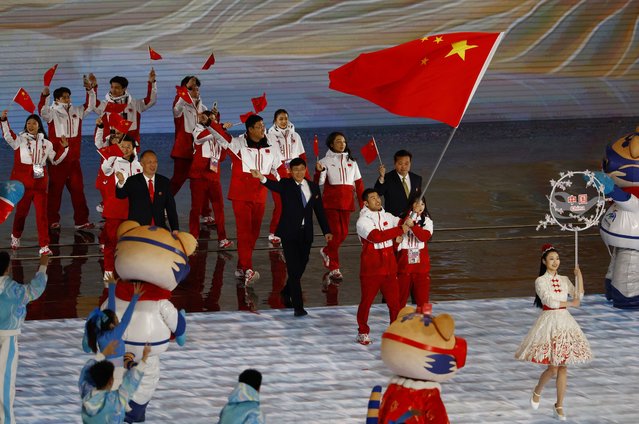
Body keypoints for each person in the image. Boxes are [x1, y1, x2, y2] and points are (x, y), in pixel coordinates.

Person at [515, 244, 592, 421]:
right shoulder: (540, 281)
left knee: (563, 366)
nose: (555, 262)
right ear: (544, 261)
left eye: (557, 259)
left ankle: (559, 405)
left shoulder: (565, 279)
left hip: (565, 323)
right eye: (551, 259)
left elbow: (578, 296)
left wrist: (578, 276)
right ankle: (538, 390)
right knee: (553, 368)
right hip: (550, 322)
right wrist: (571, 304)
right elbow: (549, 300)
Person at [208, 114, 285, 286]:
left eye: (263, 125)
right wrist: (208, 122)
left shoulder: (271, 147)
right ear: (249, 129)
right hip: (241, 196)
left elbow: (279, 168)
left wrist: (289, 186)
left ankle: (241, 267)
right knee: (244, 232)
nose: (262, 129)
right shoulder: (237, 144)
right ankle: (249, 269)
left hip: (260, 195)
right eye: (259, 126)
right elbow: (220, 135)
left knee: (254, 234)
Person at [251, 157, 332, 316]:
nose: (299, 172)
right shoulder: (286, 185)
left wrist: (326, 231)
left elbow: (320, 211)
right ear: (290, 171)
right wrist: (261, 177)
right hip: (289, 233)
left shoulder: (313, 187)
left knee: (301, 265)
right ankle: (298, 307)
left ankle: (286, 290)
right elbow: (272, 185)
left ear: (305, 170)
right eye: (295, 170)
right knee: (294, 270)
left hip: (306, 233)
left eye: (302, 169)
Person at [1, 110, 69, 256]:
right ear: (26, 126)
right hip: (23, 184)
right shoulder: (19, 139)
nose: (31, 125)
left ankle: (44, 245)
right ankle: (16, 236)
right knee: (21, 214)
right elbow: (7, 136)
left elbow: (55, 160)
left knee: (42, 216)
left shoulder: (47, 143)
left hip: (40, 184)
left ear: (39, 126)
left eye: (34, 123)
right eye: (28, 123)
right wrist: (4, 120)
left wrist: (65, 148)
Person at [38, 75, 97, 230]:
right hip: (57, 160)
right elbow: (42, 111)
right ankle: (52, 220)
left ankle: (81, 221)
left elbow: (91, 106)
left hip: (74, 159)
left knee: (78, 190)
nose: (67, 99)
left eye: (68, 97)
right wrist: (45, 95)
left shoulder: (77, 110)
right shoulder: (51, 112)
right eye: (64, 97)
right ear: (56, 100)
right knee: (55, 191)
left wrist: (90, 89)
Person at [355, 188, 410, 345]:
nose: (377, 200)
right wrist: (399, 230)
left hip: (390, 268)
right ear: (366, 203)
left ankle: (395, 331)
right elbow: (376, 237)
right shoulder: (362, 221)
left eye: (378, 197)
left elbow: (402, 222)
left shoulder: (388, 216)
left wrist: (413, 212)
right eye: (373, 198)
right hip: (371, 269)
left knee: (395, 304)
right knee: (367, 302)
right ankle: (362, 332)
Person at [0, 250, 49, 424]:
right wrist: (43, 266)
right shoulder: (16, 291)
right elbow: (36, 288)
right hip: (7, 340)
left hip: (8, 337)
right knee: (4, 384)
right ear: (8, 268)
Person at [314, 132, 364, 281]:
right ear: (331, 144)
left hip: (347, 202)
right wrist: (319, 171)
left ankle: (326, 251)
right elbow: (319, 183)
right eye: (338, 141)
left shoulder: (352, 162)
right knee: (335, 234)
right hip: (331, 202)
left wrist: (364, 206)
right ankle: (334, 268)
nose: (342, 144)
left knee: (343, 234)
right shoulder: (324, 161)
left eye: (343, 141)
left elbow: (359, 185)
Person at [100, 137, 142, 282]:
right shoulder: (114, 162)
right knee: (112, 241)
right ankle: (109, 269)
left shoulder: (139, 165)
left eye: (128, 146)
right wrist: (112, 154)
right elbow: (105, 170)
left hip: (134, 209)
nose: (125, 149)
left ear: (133, 147)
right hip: (116, 208)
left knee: (133, 242)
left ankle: (131, 269)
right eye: (122, 146)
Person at [189, 111, 233, 248]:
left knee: (219, 208)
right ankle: (193, 237)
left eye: (214, 120)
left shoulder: (215, 135)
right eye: (210, 120)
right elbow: (201, 137)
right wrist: (220, 128)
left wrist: (223, 137)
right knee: (196, 209)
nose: (212, 122)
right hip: (198, 177)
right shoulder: (198, 130)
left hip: (214, 177)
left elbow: (223, 156)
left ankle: (222, 238)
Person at [79, 340, 150, 424]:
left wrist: (103, 354)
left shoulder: (86, 393)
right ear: (110, 381)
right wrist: (145, 356)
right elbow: (131, 382)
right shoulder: (116, 400)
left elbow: (85, 373)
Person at [265, 109, 308, 247]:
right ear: (275, 121)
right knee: (281, 204)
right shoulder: (269, 136)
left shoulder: (296, 135)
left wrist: (306, 175)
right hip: (277, 172)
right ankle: (274, 232)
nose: (284, 121)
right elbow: (269, 158)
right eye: (280, 119)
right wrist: (277, 174)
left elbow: (302, 156)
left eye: (285, 119)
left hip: (294, 172)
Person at [82, 280, 143, 367]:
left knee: (130, 355)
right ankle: (128, 363)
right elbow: (126, 319)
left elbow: (111, 312)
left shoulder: (100, 334)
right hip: (116, 367)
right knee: (131, 357)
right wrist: (134, 298)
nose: (118, 319)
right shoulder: (115, 334)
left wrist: (112, 287)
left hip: (109, 365)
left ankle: (128, 361)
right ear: (111, 325)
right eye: (116, 318)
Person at [115, 150, 179, 233]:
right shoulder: (133, 181)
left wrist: (175, 229)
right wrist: (120, 182)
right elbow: (120, 195)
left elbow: (171, 208)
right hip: (138, 229)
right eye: (149, 162)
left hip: (159, 228)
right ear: (141, 164)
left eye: (155, 162)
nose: (153, 165)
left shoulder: (164, 182)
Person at [94, 70, 157, 147]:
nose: (113, 90)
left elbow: (151, 100)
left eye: (117, 87)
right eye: (112, 87)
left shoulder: (134, 104)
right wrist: (92, 88)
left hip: (130, 147)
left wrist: (152, 83)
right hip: (111, 146)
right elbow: (92, 104)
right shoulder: (105, 105)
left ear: (124, 88)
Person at [396, 194, 433, 308]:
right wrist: (409, 219)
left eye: (422, 204)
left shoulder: (427, 221)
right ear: (411, 205)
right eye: (416, 203)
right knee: (400, 299)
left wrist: (414, 226)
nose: (420, 206)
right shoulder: (401, 219)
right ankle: (398, 322)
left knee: (424, 300)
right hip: (404, 265)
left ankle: (426, 322)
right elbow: (396, 237)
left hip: (421, 267)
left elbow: (424, 237)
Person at [374, 150, 423, 218]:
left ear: (410, 163)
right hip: (393, 219)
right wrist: (382, 177)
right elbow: (378, 193)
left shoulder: (417, 178)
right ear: (395, 163)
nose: (403, 167)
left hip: (412, 218)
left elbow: (419, 199)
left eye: (406, 163)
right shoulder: (387, 178)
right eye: (400, 164)